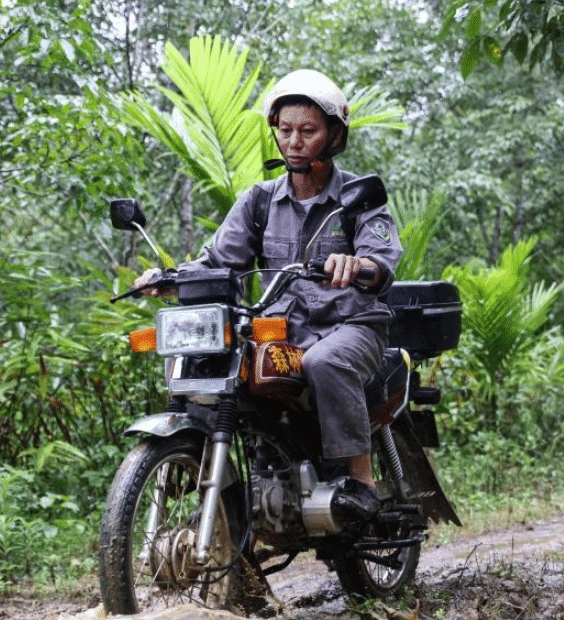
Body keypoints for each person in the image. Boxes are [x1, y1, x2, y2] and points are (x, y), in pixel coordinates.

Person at [134, 69, 403, 522]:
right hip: (283, 327)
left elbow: (382, 261)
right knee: (222, 364)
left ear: (334, 135)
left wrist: (357, 264)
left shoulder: (358, 196)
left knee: (325, 362)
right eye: (286, 130)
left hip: (351, 326)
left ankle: (362, 482)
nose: (294, 141)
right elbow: (220, 260)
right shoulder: (259, 201)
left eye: (308, 131)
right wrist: (169, 278)